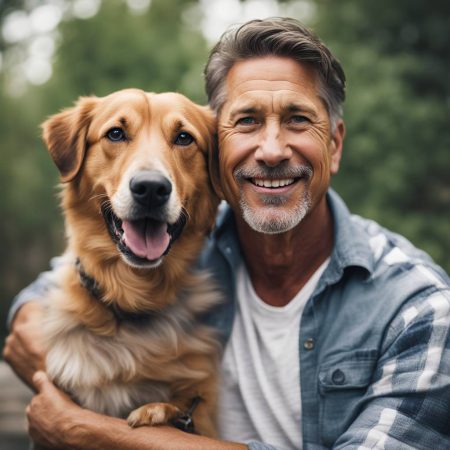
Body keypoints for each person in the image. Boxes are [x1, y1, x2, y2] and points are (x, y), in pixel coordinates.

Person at [4, 17, 450, 450]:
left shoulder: (420, 311)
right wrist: (39, 343)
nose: (272, 150)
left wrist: (92, 432)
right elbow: (59, 292)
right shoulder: (183, 240)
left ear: (333, 145)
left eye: (297, 119)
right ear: (221, 152)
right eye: (248, 121)